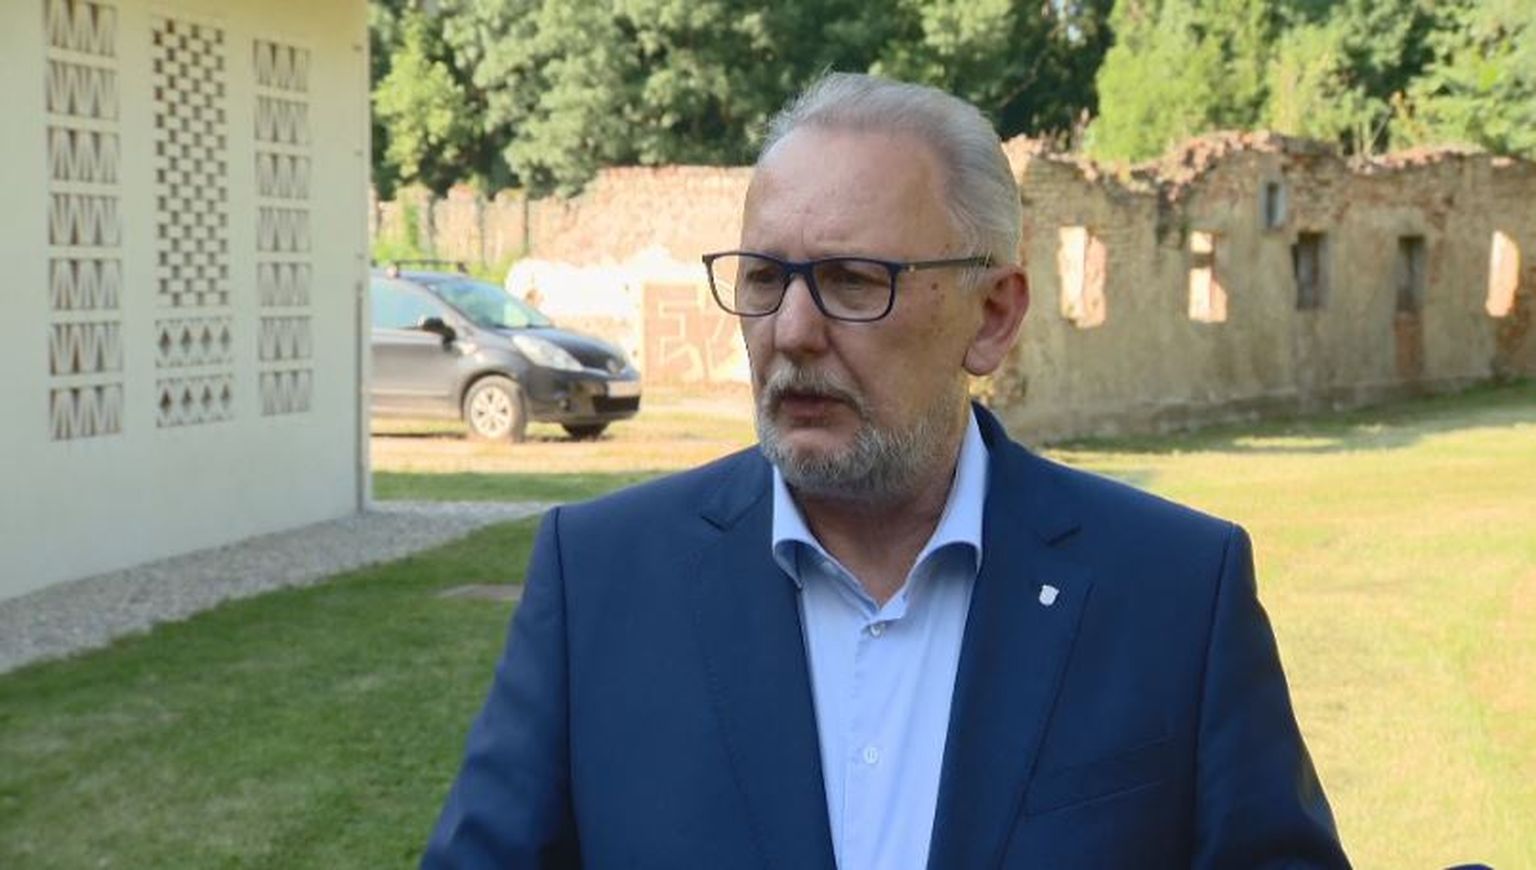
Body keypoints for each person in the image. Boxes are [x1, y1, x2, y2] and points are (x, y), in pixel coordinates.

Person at [422, 73, 1349, 869]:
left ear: (993, 316)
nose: (792, 331)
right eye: (763, 278)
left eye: (855, 281)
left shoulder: (1174, 592)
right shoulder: (600, 581)